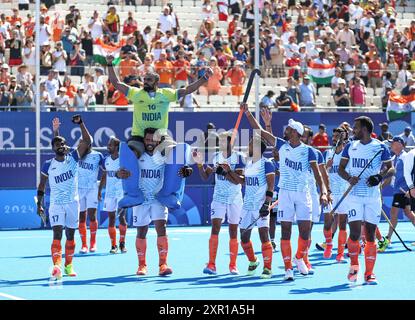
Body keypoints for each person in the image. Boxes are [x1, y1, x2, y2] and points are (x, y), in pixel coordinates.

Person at [241, 104, 328, 281]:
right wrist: (248, 113)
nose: (286, 130)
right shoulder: (281, 145)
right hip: (286, 194)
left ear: (295, 132)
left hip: (303, 194)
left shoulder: (309, 151)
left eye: (288, 129)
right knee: (285, 232)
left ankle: (298, 258)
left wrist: (324, 192)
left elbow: (318, 175)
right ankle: (288, 268)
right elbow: (258, 131)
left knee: (305, 232)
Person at [116, 127, 193, 276]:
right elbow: (122, 171)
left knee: (161, 229)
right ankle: (141, 266)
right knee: (141, 232)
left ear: (158, 141)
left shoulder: (164, 156)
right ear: (143, 141)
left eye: (153, 140)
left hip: (158, 198)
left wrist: (187, 170)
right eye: (147, 139)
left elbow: (180, 168)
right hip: (141, 200)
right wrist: (119, 174)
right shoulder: (137, 156)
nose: (150, 142)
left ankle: (163, 265)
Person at [106, 55, 213, 157]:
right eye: (145, 79)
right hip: (139, 136)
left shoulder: (166, 94)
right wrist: (110, 64)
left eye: (149, 80)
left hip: (160, 136)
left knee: (174, 154)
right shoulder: (136, 93)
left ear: (156, 82)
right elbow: (116, 83)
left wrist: (205, 78)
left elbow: (188, 90)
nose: (145, 82)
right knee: (132, 154)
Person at [338, 116, 395, 284]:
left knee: (370, 235)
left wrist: (380, 176)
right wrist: (349, 178)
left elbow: (391, 168)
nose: (352, 130)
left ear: (364, 129)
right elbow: (340, 169)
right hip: (354, 197)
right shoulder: (350, 146)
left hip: (372, 198)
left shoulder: (380, 147)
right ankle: (354, 266)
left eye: (355, 127)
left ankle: (369, 273)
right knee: (355, 234)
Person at [36, 115, 92, 280]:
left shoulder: (73, 158)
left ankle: (68, 265)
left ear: (65, 145)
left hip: (73, 204)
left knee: (70, 236)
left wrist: (81, 123)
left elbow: (87, 141)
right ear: (52, 147)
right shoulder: (48, 164)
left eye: (62, 143)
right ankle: (56, 267)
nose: (60, 145)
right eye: (57, 144)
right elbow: (41, 186)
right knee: (57, 234)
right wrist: (39, 204)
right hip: (55, 204)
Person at [193, 131, 245, 275]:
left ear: (231, 143)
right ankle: (211, 264)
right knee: (215, 228)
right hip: (219, 198)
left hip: (235, 198)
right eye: (220, 141)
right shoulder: (216, 157)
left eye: (224, 141)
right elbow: (205, 176)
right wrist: (199, 164)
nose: (221, 144)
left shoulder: (239, 158)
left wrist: (226, 172)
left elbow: (240, 181)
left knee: (233, 231)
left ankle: (233, 265)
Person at [52, 118, 104, 254]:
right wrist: (56, 130)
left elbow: (106, 171)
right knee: (81, 217)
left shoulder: (96, 155)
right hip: (78, 190)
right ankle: (84, 245)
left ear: (88, 145)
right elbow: (58, 145)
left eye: (83, 142)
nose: (80, 143)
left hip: (92, 188)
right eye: (80, 142)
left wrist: (100, 188)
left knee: (92, 216)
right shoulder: (73, 155)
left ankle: (93, 243)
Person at [239, 135, 275, 279]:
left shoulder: (266, 164)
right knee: (243, 237)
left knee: (264, 236)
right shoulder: (248, 163)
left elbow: (271, 184)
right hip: (247, 205)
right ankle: (253, 261)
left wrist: (267, 203)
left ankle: (267, 268)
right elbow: (245, 182)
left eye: (250, 145)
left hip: (260, 205)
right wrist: (227, 173)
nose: (248, 148)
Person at [378, 136, 415, 252]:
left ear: (400, 144)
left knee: (393, 213)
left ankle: (387, 239)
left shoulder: (405, 157)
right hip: (398, 191)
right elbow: (390, 179)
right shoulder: (394, 158)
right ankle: (387, 239)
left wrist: (410, 189)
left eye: (393, 143)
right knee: (408, 214)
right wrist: (380, 188)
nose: (391, 145)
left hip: (403, 191)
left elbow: (410, 174)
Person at [321, 127, 349, 262]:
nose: (334, 138)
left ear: (343, 138)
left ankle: (340, 253)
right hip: (331, 193)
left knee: (343, 223)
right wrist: (327, 166)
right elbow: (322, 173)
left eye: (337, 136)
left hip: (343, 192)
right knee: (327, 223)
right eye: (333, 135)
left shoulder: (347, 153)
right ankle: (329, 244)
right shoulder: (328, 153)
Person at [98, 137, 129, 254]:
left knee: (121, 217)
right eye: (108, 144)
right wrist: (99, 190)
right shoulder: (106, 160)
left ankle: (122, 243)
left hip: (121, 192)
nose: (108, 147)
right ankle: (113, 245)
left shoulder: (123, 160)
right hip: (109, 194)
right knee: (111, 219)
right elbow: (104, 176)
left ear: (117, 147)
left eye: (110, 145)